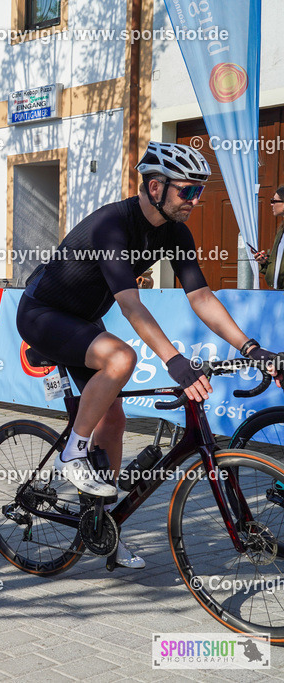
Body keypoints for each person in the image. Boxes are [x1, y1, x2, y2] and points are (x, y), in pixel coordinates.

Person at [16, 141, 280, 569]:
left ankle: (104, 527)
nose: (195, 200)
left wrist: (252, 348)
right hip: (42, 314)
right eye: (187, 191)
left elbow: (201, 296)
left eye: (198, 191)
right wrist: (175, 361)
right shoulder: (111, 225)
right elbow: (131, 305)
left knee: (115, 420)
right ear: (156, 187)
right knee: (121, 359)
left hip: (82, 320)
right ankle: (72, 453)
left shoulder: (175, 231)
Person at [254, 186, 284, 289]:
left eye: (274, 201)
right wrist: (265, 263)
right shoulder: (281, 230)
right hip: (278, 292)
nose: (271, 204)